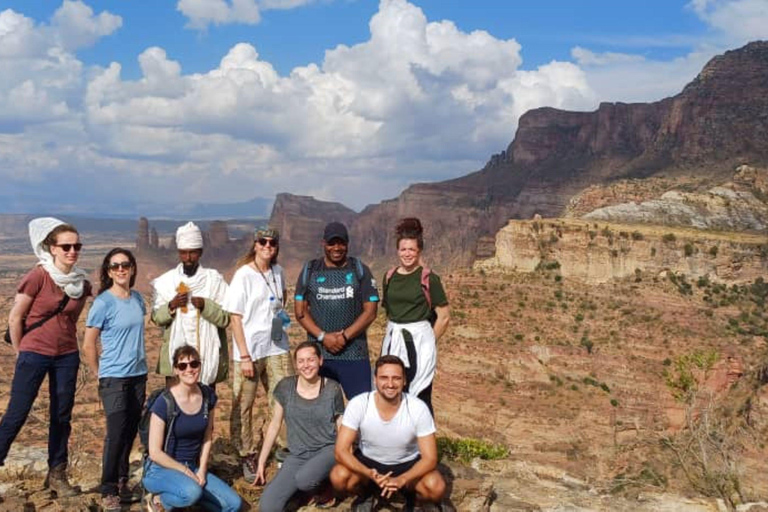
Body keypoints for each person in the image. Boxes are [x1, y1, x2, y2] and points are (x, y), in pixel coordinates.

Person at [0, 218, 91, 497]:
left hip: (67, 355)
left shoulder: (82, 283)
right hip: (34, 354)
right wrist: (22, 351)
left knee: (61, 416)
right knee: (17, 413)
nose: (72, 251)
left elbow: (70, 320)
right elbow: (16, 318)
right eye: (65, 246)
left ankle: (57, 474)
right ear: (51, 248)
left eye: (76, 246)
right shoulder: (38, 276)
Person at [330, 355, 446, 511]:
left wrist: (402, 479)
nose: (390, 384)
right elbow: (341, 451)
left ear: (404, 381)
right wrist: (369, 474)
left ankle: (411, 497)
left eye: (396, 378)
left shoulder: (418, 408)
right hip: (368, 463)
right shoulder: (359, 404)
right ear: (375, 379)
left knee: (435, 487)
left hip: (407, 464)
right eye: (384, 377)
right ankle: (366, 494)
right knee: (339, 476)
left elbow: (430, 458)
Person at [223, 227, 293, 481]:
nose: (267, 246)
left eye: (272, 243)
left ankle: (286, 449)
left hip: (277, 347)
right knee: (244, 403)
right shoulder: (243, 275)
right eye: (262, 242)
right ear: (255, 245)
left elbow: (281, 301)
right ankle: (246, 453)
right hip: (250, 351)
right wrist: (244, 356)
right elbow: (235, 317)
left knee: (284, 399)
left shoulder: (279, 272)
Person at [83, 248, 147, 511]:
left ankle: (122, 481)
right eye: (115, 266)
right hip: (114, 378)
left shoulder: (139, 299)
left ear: (132, 268)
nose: (121, 270)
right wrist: (100, 374)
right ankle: (108, 488)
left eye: (125, 265)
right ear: (108, 272)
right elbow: (88, 344)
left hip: (138, 375)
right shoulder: (103, 303)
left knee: (130, 430)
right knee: (116, 433)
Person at [142, 346, 242, 512]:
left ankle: (186, 499)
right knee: (192, 492)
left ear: (200, 366)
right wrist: (185, 471)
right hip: (161, 469)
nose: (189, 369)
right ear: (175, 370)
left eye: (194, 364)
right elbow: (155, 452)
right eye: (183, 366)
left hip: (193, 467)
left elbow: (207, 436)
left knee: (233, 504)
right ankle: (158, 500)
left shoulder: (207, 396)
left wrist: (202, 470)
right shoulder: (164, 402)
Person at [255, 341, 345, 511]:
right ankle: (301, 494)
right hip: (298, 454)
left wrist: (342, 459)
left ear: (320, 360)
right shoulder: (286, 387)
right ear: (295, 364)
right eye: (301, 361)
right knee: (267, 506)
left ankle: (323, 488)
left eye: (311, 360)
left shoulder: (332, 388)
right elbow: (275, 424)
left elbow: (341, 425)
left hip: (327, 450)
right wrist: (261, 461)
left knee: (305, 479)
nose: (306, 365)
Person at [294, 221, 379, 400]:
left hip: (354, 353)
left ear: (347, 244)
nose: (337, 248)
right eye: (332, 243)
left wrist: (344, 337)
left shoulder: (359, 269)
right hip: (320, 356)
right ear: (323, 244)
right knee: (321, 412)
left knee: (361, 409)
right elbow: (300, 311)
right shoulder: (310, 270)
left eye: (341, 243)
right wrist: (323, 337)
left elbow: (370, 312)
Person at [380, 218, 450, 415]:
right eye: (403, 249)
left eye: (411, 249)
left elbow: (443, 317)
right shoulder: (389, 276)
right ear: (397, 251)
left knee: (420, 396)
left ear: (419, 250)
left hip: (418, 342)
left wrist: (427, 342)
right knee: (391, 391)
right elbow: (390, 312)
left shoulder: (429, 278)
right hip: (393, 340)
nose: (407, 254)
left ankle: (423, 444)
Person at [151, 222, 230, 387]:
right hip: (176, 359)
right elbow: (157, 318)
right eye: (184, 253)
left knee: (205, 407)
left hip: (206, 359)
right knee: (175, 406)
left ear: (200, 252)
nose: (188, 258)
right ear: (179, 253)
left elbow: (225, 319)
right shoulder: (166, 282)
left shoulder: (214, 281)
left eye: (192, 253)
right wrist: (171, 305)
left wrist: (205, 305)